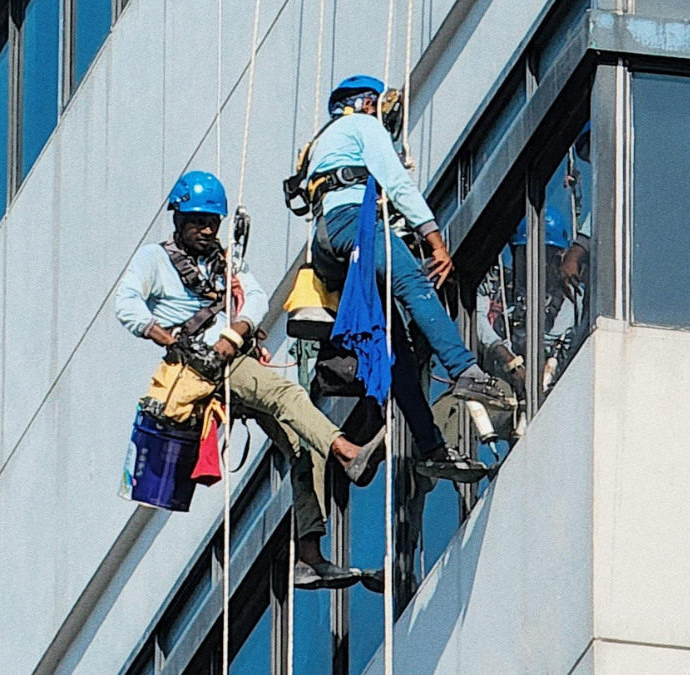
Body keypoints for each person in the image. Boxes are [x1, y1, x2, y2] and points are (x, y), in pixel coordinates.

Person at [115, 170, 381, 590]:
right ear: (178, 220)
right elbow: (126, 302)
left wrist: (237, 332)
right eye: (197, 222)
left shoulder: (225, 262)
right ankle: (347, 452)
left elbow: (255, 296)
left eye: (212, 222)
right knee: (286, 395)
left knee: (302, 447)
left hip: (229, 356)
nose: (207, 230)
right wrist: (166, 337)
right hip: (200, 365)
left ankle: (309, 558)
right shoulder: (155, 260)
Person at [304, 74, 514, 412]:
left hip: (327, 240)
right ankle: (465, 371)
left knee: (393, 343)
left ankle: (428, 438)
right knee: (415, 285)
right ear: (367, 103)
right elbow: (398, 183)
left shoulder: (322, 142)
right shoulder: (363, 125)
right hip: (355, 223)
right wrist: (435, 241)